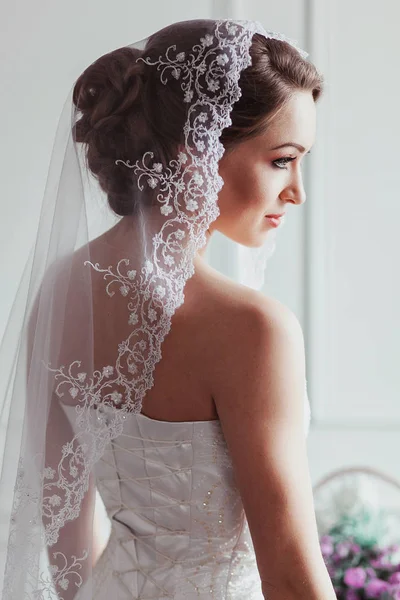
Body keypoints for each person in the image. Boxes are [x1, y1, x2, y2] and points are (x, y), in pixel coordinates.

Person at [0, 18, 337, 600]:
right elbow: (288, 573)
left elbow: (67, 536)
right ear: (196, 153)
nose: (297, 191)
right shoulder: (252, 329)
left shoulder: (62, 289)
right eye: (282, 159)